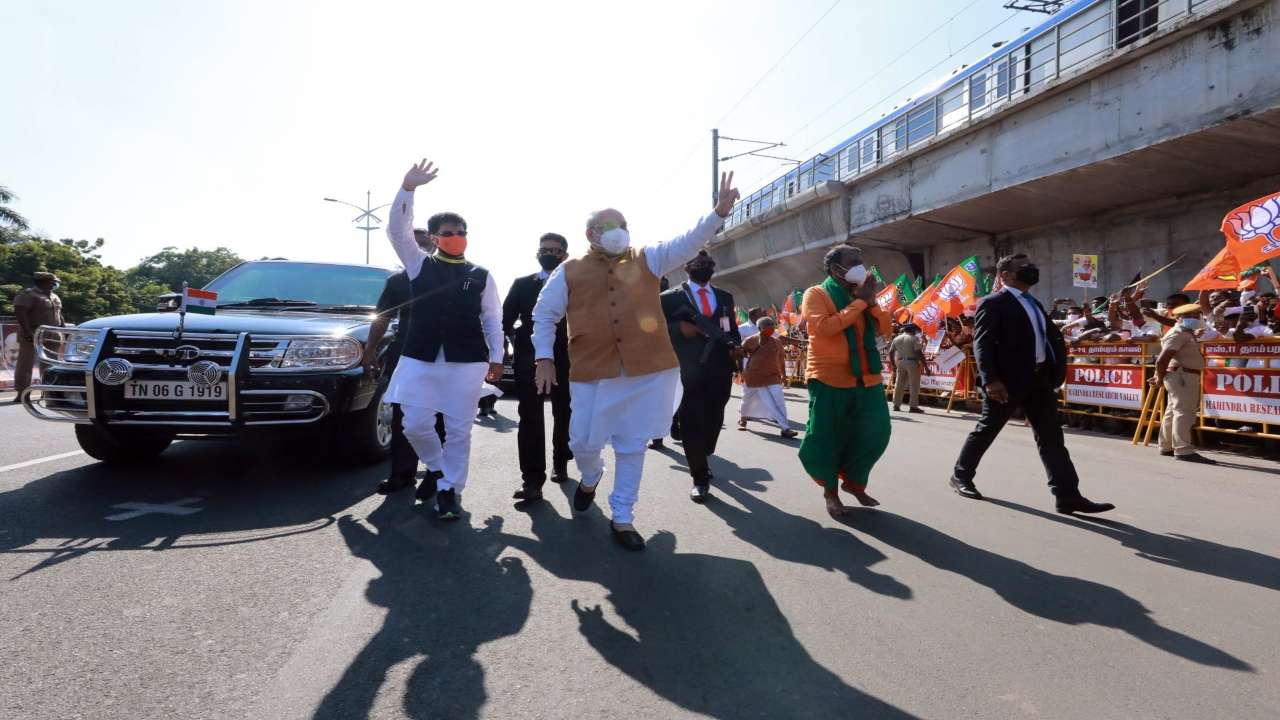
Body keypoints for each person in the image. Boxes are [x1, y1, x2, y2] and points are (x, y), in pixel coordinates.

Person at [532, 172, 741, 550]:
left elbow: (687, 243)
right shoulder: (569, 270)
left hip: (646, 370)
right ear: (591, 234)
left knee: (632, 444)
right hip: (591, 369)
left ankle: (623, 516)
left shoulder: (647, 258)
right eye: (609, 225)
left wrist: (717, 214)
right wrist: (544, 357)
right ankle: (591, 476)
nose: (619, 231)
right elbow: (544, 315)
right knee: (582, 441)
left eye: (623, 224)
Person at [381, 158, 505, 520]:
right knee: (414, 425)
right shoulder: (419, 264)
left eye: (461, 230)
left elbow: (492, 318)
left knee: (458, 431)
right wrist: (407, 188)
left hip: (466, 362)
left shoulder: (481, 274)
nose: (456, 236)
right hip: (419, 358)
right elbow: (397, 230)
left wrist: (497, 356)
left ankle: (451, 490)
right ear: (434, 237)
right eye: (449, 231)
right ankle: (437, 469)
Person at [948, 254, 1114, 514]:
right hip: (1006, 381)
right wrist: (991, 380)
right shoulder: (994, 303)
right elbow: (982, 344)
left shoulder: (1033, 303)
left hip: (1039, 379)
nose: (1031, 270)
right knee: (988, 429)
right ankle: (961, 476)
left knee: (1051, 437)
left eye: (1031, 266)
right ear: (1005, 276)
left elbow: (1046, 338)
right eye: (1023, 268)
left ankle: (1067, 495)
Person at [798, 244, 891, 518]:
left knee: (877, 433)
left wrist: (871, 303)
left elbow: (885, 329)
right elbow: (825, 327)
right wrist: (861, 301)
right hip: (829, 378)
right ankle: (831, 492)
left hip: (867, 377)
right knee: (827, 437)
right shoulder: (816, 293)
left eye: (861, 261)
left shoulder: (862, 295)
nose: (860, 267)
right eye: (852, 262)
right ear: (835, 268)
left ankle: (854, 483)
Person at [364, 230, 446, 496]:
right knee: (402, 418)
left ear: (435, 244)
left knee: (438, 418)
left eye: (425, 242)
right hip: (406, 355)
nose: (420, 247)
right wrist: (370, 351)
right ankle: (402, 474)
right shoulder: (397, 280)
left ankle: (437, 474)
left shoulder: (449, 276)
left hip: (442, 357)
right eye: (415, 242)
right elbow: (382, 318)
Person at [661, 250, 743, 503]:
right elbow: (651, 328)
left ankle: (704, 453)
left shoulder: (724, 297)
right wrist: (678, 328)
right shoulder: (670, 298)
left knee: (715, 417)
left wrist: (737, 347)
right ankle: (699, 477)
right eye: (698, 264)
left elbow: (732, 329)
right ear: (687, 267)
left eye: (708, 264)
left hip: (719, 368)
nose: (704, 267)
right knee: (691, 422)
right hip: (686, 370)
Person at [503, 232, 573, 503]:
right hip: (529, 360)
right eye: (545, 249)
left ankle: (561, 459)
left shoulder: (575, 284)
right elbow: (505, 319)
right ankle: (532, 480)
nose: (549, 254)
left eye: (555, 251)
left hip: (567, 359)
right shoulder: (522, 284)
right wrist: (508, 346)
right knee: (530, 417)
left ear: (565, 255)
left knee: (564, 411)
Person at [1151, 304, 1215, 464]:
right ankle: (1183, 449)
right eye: (1190, 316)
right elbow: (1162, 359)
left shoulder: (1185, 333)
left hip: (1180, 375)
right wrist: (1158, 378)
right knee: (1184, 412)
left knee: (1173, 411)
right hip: (1183, 376)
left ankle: (1166, 446)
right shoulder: (1179, 333)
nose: (1194, 318)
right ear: (1178, 318)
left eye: (1196, 315)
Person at [738, 316, 797, 437]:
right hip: (754, 377)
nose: (770, 328)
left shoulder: (776, 342)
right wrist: (739, 372)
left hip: (772, 376)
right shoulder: (750, 340)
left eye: (772, 325)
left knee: (777, 400)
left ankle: (785, 428)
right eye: (767, 325)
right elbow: (739, 355)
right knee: (746, 401)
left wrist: (784, 375)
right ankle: (743, 418)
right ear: (760, 328)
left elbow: (781, 359)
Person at [12, 271, 63, 399]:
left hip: (53, 334)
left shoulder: (54, 296)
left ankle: (48, 391)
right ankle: (22, 392)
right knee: (26, 363)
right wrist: (27, 330)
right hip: (33, 333)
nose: (55, 284)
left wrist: (63, 329)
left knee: (51, 364)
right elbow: (20, 311)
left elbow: (59, 315)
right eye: (52, 282)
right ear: (43, 282)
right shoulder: (28, 294)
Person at [888, 323, 926, 413]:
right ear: (912, 330)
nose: (916, 332)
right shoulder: (913, 338)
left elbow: (891, 352)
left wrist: (893, 364)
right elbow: (919, 353)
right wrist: (925, 365)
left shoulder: (896, 338)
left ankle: (896, 405)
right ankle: (913, 406)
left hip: (900, 362)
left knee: (899, 384)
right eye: (915, 330)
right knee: (914, 385)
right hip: (912, 362)